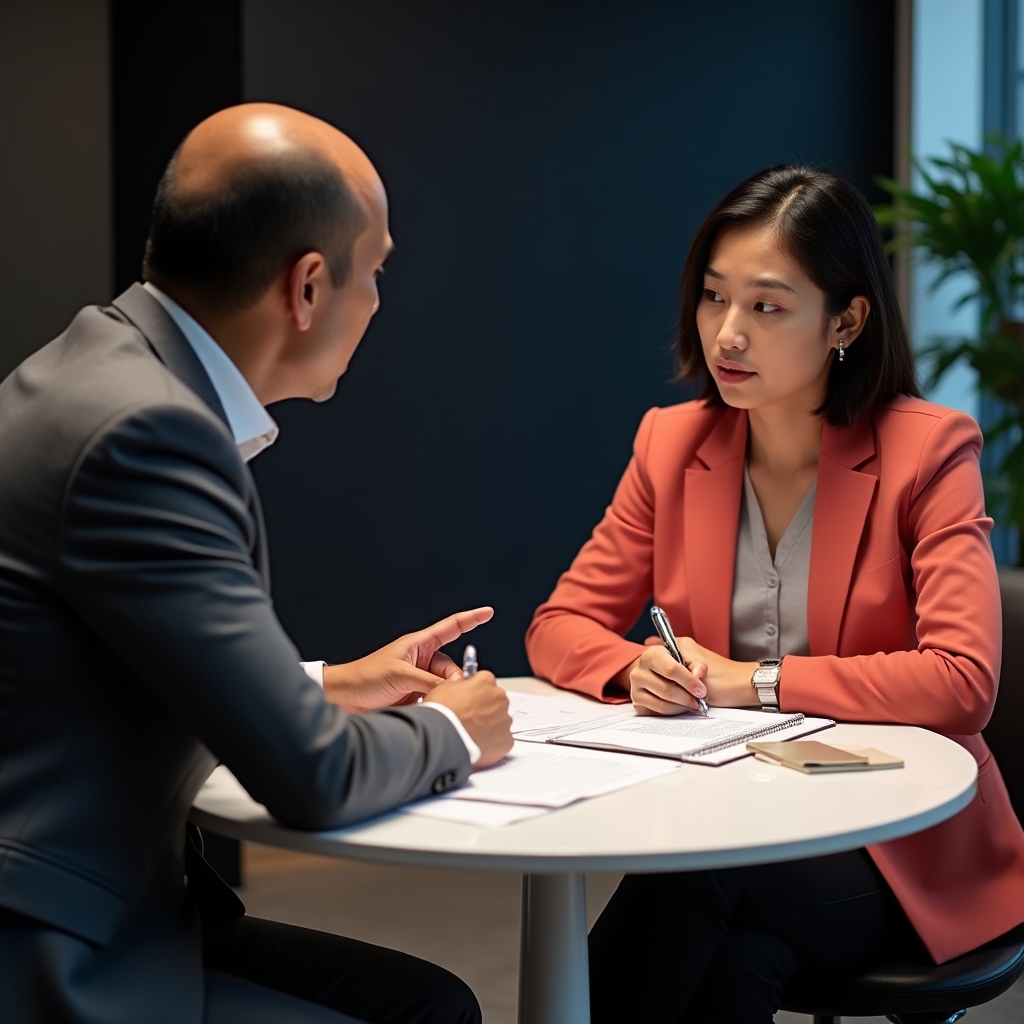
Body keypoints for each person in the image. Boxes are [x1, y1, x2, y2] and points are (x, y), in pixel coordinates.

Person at [0, 103, 514, 1024]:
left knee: (431, 1004)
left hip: (107, 901)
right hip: (53, 949)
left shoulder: (102, 365)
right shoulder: (148, 434)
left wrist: (327, 681)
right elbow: (310, 781)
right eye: (378, 271)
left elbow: (115, 659)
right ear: (308, 286)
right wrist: (459, 731)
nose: (381, 303)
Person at [526, 164, 1024, 1022]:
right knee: (734, 965)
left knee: (700, 870)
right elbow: (560, 625)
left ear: (847, 320)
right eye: (714, 298)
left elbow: (960, 682)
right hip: (745, 828)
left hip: (897, 848)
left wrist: (750, 681)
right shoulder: (673, 445)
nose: (727, 335)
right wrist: (630, 669)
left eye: (766, 306)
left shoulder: (929, 451)